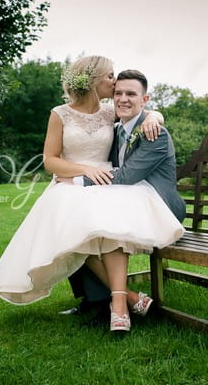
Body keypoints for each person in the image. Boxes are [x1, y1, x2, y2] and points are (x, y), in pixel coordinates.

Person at [0, 56, 185, 332]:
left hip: (105, 183)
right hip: (80, 179)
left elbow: (138, 109)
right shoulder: (60, 113)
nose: (115, 84)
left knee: (102, 222)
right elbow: (50, 161)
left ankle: (114, 302)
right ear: (93, 81)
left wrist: (155, 115)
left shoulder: (109, 112)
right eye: (110, 76)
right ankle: (124, 297)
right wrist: (82, 172)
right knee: (74, 223)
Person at [57, 69, 186, 331]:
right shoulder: (115, 130)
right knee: (73, 216)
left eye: (131, 94)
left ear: (145, 99)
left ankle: (112, 301)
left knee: (99, 220)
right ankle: (118, 298)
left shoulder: (154, 132)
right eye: (118, 93)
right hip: (130, 202)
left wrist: (77, 180)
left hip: (162, 208)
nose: (123, 99)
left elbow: (126, 175)